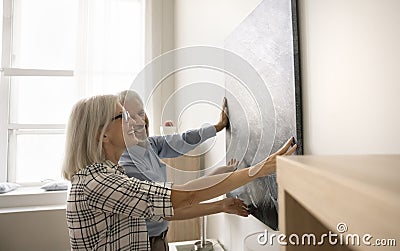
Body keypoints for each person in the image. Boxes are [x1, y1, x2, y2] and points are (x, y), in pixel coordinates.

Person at [62, 94, 296, 251]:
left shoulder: (113, 173)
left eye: (136, 113)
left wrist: (216, 128)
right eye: (122, 116)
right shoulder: (99, 182)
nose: (134, 121)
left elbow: (172, 194)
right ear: (102, 133)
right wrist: (259, 170)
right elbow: (181, 197)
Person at [117, 90, 238, 250]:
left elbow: (183, 140)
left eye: (141, 112)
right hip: (143, 243)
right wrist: (220, 204)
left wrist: (217, 127)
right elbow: (174, 205)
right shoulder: (128, 167)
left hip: (160, 237)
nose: (140, 120)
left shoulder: (149, 144)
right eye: (131, 116)